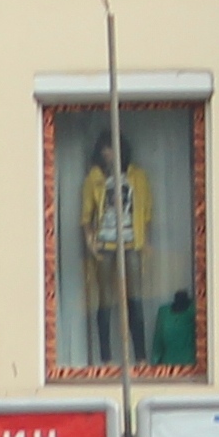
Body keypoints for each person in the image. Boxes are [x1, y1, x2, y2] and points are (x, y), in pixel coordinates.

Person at [79, 134, 151, 365]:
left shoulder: (137, 177)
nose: (106, 154)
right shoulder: (95, 179)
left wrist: (145, 242)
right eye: (103, 150)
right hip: (105, 244)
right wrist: (91, 242)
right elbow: (86, 215)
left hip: (131, 243)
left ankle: (140, 357)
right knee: (105, 302)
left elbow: (146, 211)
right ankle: (106, 359)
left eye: (109, 149)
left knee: (134, 300)